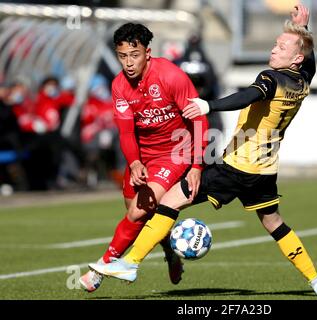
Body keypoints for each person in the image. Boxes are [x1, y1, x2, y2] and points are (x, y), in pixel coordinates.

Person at [89, 3, 317, 297]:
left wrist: (211, 104)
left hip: (235, 168)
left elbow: (247, 96)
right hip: (265, 170)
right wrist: (304, 30)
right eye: (275, 44)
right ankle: (316, 281)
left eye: (281, 47)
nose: (274, 49)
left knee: (168, 203)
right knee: (276, 225)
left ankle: (131, 263)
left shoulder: (270, 78)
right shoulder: (302, 80)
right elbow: (310, 63)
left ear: (296, 58)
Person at [78, 22, 209, 292]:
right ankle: (171, 253)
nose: (128, 63)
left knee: (138, 211)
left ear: (148, 52)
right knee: (139, 214)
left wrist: (196, 165)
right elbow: (126, 132)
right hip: (142, 156)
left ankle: (101, 268)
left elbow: (200, 120)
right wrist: (135, 162)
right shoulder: (119, 86)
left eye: (134, 55)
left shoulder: (172, 76)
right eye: (122, 56)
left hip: (174, 153)